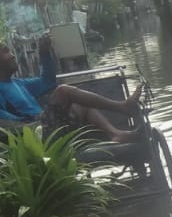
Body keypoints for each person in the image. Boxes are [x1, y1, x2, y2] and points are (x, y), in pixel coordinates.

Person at [0, 36, 143, 141]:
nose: (13, 56)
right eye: (6, 52)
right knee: (63, 91)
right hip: (33, 132)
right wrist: (28, 122)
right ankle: (122, 107)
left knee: (82, 104)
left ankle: (115, 133)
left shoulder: (19, 83)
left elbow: (48, 81)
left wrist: (44, 54)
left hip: (46, 125)